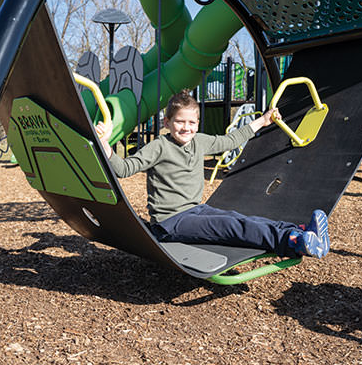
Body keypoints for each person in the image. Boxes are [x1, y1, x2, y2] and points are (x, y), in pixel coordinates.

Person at [95, 90, 329, 259]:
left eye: (192, 122)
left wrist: (262, 121)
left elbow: (230, 140)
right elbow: (123, 169)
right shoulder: (159, 146)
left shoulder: (200, 141)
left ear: (198, 123)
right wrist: (105, 145)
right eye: (179, 122)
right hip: (170, 223)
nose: (186, 128)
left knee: (241, 218)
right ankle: (293, 243)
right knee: (231, 227)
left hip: (196, 210)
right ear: (166, 122)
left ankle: (297, 231)